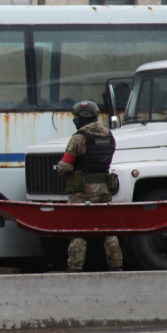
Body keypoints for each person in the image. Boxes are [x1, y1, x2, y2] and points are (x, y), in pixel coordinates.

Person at [56, 100, 122, 272]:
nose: (74, 120)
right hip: (104, 192)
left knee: (78, 230)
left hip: (81, 194)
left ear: (82, 118)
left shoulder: (78, 139)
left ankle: (75, 267)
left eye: (76, 117)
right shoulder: (109, 136)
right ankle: (116, 265)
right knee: (107, 230)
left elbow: (67, 165)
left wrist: (59, 167)